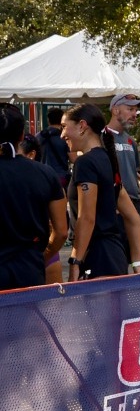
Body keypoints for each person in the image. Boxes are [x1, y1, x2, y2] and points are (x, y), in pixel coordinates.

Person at [61, 104, 140, 280]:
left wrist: (75, 261)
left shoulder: (86, 163)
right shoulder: (107, 159)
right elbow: (132, 216)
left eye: (64, 127)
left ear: (82, 126)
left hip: (98, 257)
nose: (62, 134)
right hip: (114, 256)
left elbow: (87, 217)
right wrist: (137, 261)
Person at [0, 105, 67, 291]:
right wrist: (43, 256)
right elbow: (61, 231)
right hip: (29, 269)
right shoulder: (45, 173)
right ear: (22, 135)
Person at [106, 93, 140, 264]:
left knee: (137, 263)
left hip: (135, 206)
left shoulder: (130, 141)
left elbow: (134, 172)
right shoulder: (102, 137)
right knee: (117, 264)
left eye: (135, 110)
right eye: (130, 109)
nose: (134, 114)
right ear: (115, 110)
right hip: (115, 208)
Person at [36, 109, 70, 187]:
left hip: (42, 176)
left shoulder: (39, 136)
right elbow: (73, 158)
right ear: (61, 120)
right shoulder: (64, 138)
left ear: (48, 120)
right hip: (60, 177)